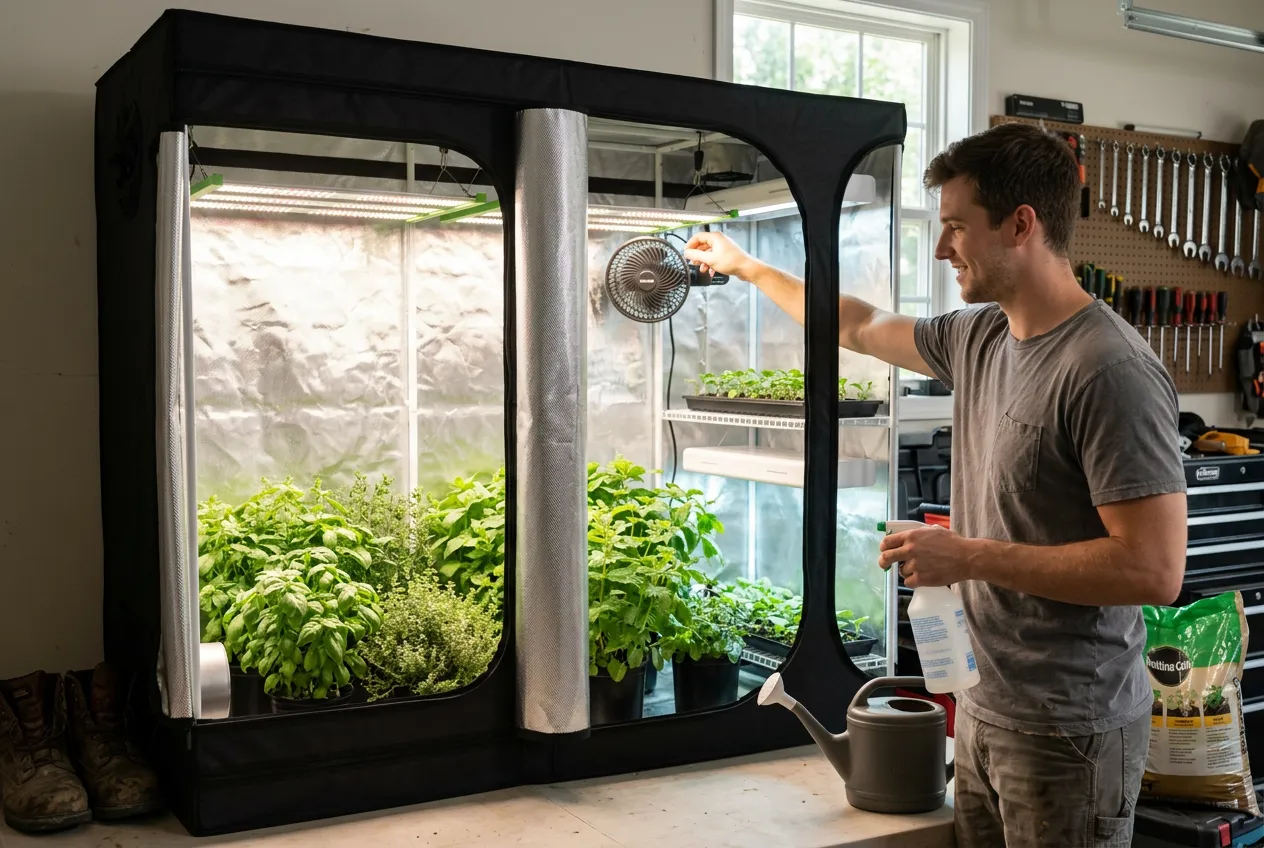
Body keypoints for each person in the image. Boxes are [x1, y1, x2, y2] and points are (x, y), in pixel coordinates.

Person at [684, 121, 1187, 848]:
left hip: (1068, 730)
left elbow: (1154, 569)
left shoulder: (1106, 369)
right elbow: (858, 325)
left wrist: (970, 556)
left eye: (956, 227)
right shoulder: (980, 336)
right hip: (983, 708)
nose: (943, 247)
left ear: (1021, 225)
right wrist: (747, 266)